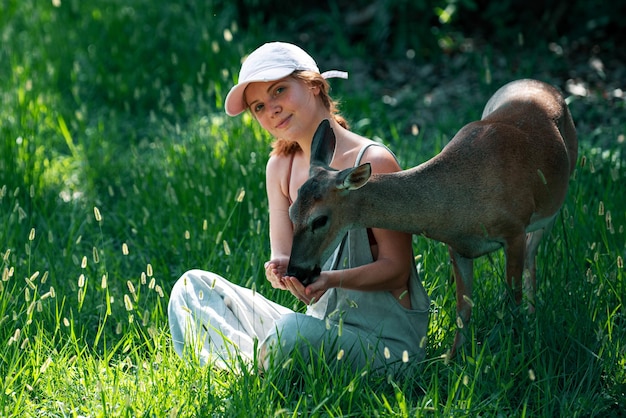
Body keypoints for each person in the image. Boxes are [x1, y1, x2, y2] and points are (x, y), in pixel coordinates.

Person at [168, 42, 429, 373]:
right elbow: (285, 258)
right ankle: (259, 365)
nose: (271, 109)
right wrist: (281, 272)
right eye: (259, 106)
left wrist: (331, 280)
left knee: (289, 335)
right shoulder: (280, 167)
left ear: (314, 85)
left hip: (385, 345)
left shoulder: (371, 163)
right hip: (321, 330)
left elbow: (397, 269)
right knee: (193, 287)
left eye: (279, 90)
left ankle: (251, 367)